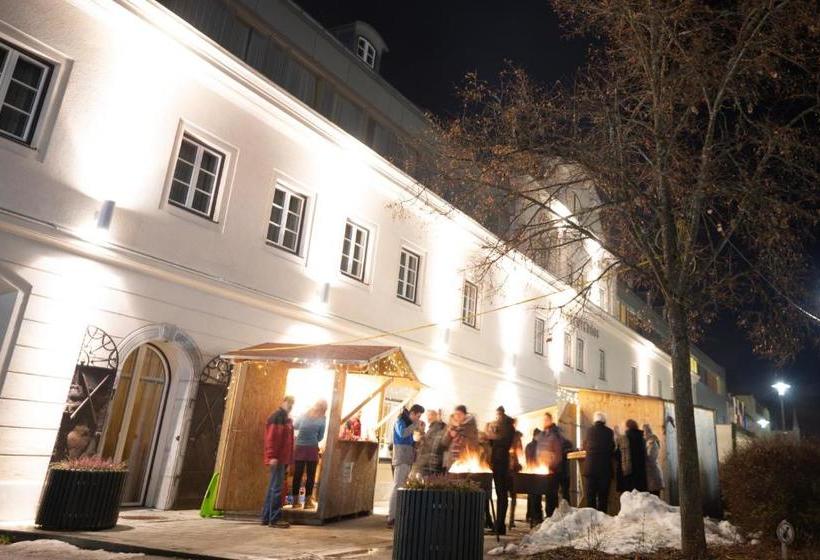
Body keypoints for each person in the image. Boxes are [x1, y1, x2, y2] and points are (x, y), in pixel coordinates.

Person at [387, 403, 425, 528]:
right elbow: (402, 434)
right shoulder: (400, 421)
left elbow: (408, 439)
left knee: (402, 488)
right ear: (412, 413)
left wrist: (416, 442)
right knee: (397, 487)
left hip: (407, 459)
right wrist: (415, 425)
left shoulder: (408, 422)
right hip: (401, 459)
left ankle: (397, 516)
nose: (418, 419)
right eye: (418, 416)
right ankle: (391, 517)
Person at [261, 395, 295, 528]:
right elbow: (272, 438)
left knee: (273, 488)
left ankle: (266, 518)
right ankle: (274, 519)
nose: (291, 406)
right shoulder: (277, 417)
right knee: (276, 489)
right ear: (283, 402)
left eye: (292, 404)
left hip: (282, 458)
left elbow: (287, 440)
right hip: (277, 458)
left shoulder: (286, 419)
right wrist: (272, 456)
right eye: (289, 403)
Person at [291, 399, 327, 510]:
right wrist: (312, 437)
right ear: (324, 408)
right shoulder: (322, 418)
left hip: (300, 446)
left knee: (297, 474)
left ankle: (295, 502)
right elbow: (320, 436)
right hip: (311, 448)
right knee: (311, 475)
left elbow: (295, 425)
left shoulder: (304, 414)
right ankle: (307, 503)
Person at [486, 406, 514, 535]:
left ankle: (500, 524)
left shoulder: (508, 427)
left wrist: (493, 436)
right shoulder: (500, 427)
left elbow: (505, 443)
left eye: (498, 415)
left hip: (502, 462)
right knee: (499, 493)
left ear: (502, 414)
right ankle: (498, 524)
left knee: (502, 494)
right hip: (497, 461)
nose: (497, 417)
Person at [582, 411, 615, 513]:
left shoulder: (589, 431)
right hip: (604, 469)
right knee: (603, 498)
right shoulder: (609, 432)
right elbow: (612, 447)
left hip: (590, 469)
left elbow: (584, 446)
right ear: (604, 420)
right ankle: (602, 518)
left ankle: (591, 519)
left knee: (590, 497)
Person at [535, 412, 563, 518]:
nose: (544, 421)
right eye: (543, 419)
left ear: (551, 420)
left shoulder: (555, 434)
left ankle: (551, 517)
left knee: (551, 496)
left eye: (546, 419)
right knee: (537, 493)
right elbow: (538, 451)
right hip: (542, 469)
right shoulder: (541, 436)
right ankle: (538, 517)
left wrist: (552, 466)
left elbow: (558, 454)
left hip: (552, 471)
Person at [412, 409, 447, 477]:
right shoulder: (431, 428)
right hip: (426, 462)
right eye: (427, 415)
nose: (428, 417)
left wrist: (422, 437)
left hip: (430, 463)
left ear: (436, 416)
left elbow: (432, 444)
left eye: (430, 415)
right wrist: (422, 435)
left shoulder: (437, 427)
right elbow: (428, 442)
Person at [616, 419, 648, 493]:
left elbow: (618, 455)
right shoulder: (642, 438)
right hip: (640, 473)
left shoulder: (623, 439)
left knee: (628, 496)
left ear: (627, 427)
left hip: (627, 473)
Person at [524, 428, 543, 526]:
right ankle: (536, 516)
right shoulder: (538, 446)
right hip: (536, 472)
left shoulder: (528, 446)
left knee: (531, 495)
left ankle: (529, 515)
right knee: (536, 495)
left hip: (530, 471)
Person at [508, 419, 523, 529]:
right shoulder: (514, 436)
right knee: (511, 496)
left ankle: (511, 519)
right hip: (508, 468)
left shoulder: (516, 436)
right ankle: (510, 520)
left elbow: (520, 451)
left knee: (512, 495)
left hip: (511, 469)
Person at [643, 423, 664, 497]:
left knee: (655, 498)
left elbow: (651, 458)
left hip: (652, 475)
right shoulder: (649, 442)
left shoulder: (651, 443)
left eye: (644, 432)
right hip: (651, 475)